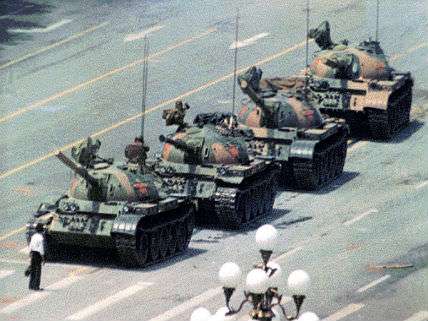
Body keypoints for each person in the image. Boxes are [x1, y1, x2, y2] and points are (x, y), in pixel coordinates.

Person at [28, 223, 45, 291]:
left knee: (33, 270)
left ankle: (31, 285)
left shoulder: (33, 236)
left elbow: (30, 245)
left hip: (33, 253)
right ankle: (36, 287)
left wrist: (30, 253)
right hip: (38, 254)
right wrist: (43, 257)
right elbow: (41, 249)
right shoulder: (41, 238)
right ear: (41, 230)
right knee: (38, 271)